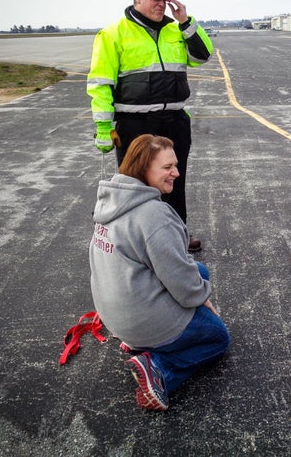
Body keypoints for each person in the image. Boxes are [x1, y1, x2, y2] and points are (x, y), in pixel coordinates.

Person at [89, 134, 230, 411]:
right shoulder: (153, 215)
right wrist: (202, 298)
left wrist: (197, 287)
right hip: (140, 319)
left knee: (198, 270)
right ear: (143, 169)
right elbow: (183, 282)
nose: (176, 172)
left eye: (175, 165)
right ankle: (160, 369)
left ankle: (137, 342)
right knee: (217, 337)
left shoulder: (110, 202)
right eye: (167, 167)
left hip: (115, 315)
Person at [87, 0, 213, 252]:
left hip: (174, 120)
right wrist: (104, 128)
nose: (160, 3)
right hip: (136, 123)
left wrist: (186, 22)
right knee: (136, 184)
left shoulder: (175, 30)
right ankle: (135, 240)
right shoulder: (113, 33)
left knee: (173, 180)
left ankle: (177, 235)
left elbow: (203, 56)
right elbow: (100, 84)